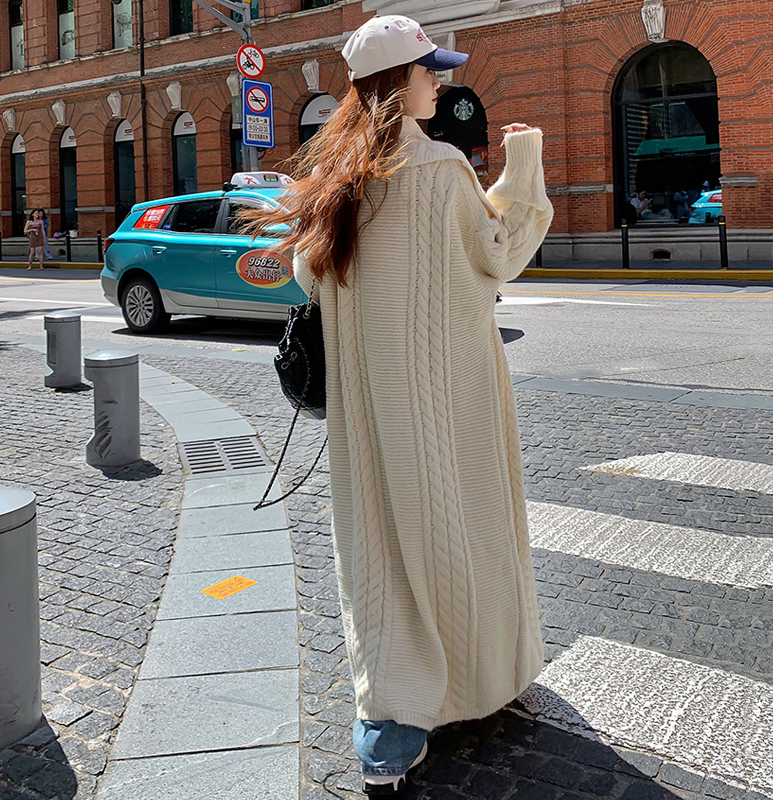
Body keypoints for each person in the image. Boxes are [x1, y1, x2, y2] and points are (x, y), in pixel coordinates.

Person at [243, 15, 553, 794]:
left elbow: (308, 279)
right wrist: (523, 168)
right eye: (428, 70)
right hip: (454, 395)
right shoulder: (442, 167)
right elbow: (498, 253)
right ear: (397, 83)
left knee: (380, 545)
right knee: (470, 526)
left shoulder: (336, 179)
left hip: (371, 404)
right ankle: (487, 676)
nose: (439, 82)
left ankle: (393, 716)